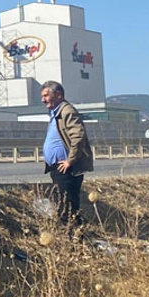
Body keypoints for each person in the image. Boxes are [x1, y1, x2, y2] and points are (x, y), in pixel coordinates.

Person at [40, 81, 93, 228]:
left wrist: (70, 160)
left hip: (66, 169)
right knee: (65, 206)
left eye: (46, 96)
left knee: (67, 208)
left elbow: (78, 136)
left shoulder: (66, 111)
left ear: (58, 95)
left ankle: (74, 240)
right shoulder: (56, 113)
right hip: (58, 168)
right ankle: (73, 239)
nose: (43, 100)